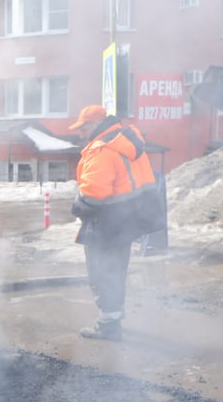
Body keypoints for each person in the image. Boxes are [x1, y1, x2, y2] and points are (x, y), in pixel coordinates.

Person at [69, 104, 160, 341]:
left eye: (84, 128)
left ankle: (109, 325)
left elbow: (94, 192)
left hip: (107, 221)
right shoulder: (126, 142)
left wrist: (77, 208)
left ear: (96, 125)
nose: (80, 134)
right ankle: (114, 316)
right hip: (127, 219)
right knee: (116, 269)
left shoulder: (103, 149)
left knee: (101, 272)